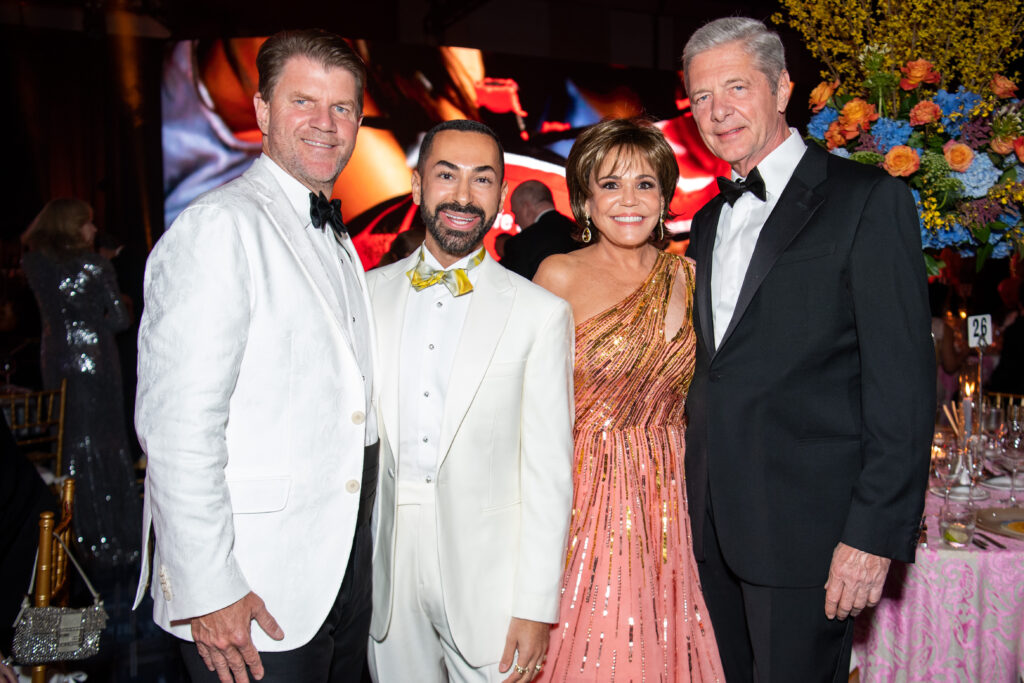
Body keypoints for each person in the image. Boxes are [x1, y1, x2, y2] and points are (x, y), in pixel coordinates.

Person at [681, 17, 934, 682]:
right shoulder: (707, 221)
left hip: (809, 534)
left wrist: (871, 536)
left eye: (736, 87)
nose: (718, 110)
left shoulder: (867, 200)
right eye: (701, 97)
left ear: (782, 86)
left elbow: (902, 389)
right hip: (710, 526)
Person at [134, 29, 378, 682]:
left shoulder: (333, 234)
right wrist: (207, 589)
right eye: (304, 102)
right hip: (250, 594)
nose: (326, 125)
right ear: (263, 110)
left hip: (336, 578)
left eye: (343, 108)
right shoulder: (220, 227)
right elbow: (178, 428)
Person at [366, 119, 574, 682]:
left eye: (482, 179)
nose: (463, 196)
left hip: (491, 579)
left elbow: (549, 472)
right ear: (416, 185)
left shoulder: (540, 312)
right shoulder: (365, 294)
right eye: (446, 175)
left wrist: (535, 605)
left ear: (502, 194)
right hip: (387, 572)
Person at [532, 118, 724, 682]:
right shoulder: (556, 276)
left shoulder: (691, 277)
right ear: (583, 200)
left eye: (645, 184)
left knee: (663, 644)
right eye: (610, 184)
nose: (629, 200)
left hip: (672, 496)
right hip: (583, 493)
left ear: (665, 196)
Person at [21, 198, 140, 568]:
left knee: (70, 441)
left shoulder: (34, 263)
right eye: (87, 223)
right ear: (72, 227)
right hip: (96, 360)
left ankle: (78, 536)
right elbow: (119, 319)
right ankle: (114, 536)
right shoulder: (94, 264)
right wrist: (122, 300)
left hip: (55, 358)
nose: (92, 230)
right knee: (105, 442)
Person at [501, 180, 579, 280]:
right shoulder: (580, 233)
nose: (515, 221)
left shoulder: (522, 243)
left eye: (515, 213)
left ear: (526, 207)